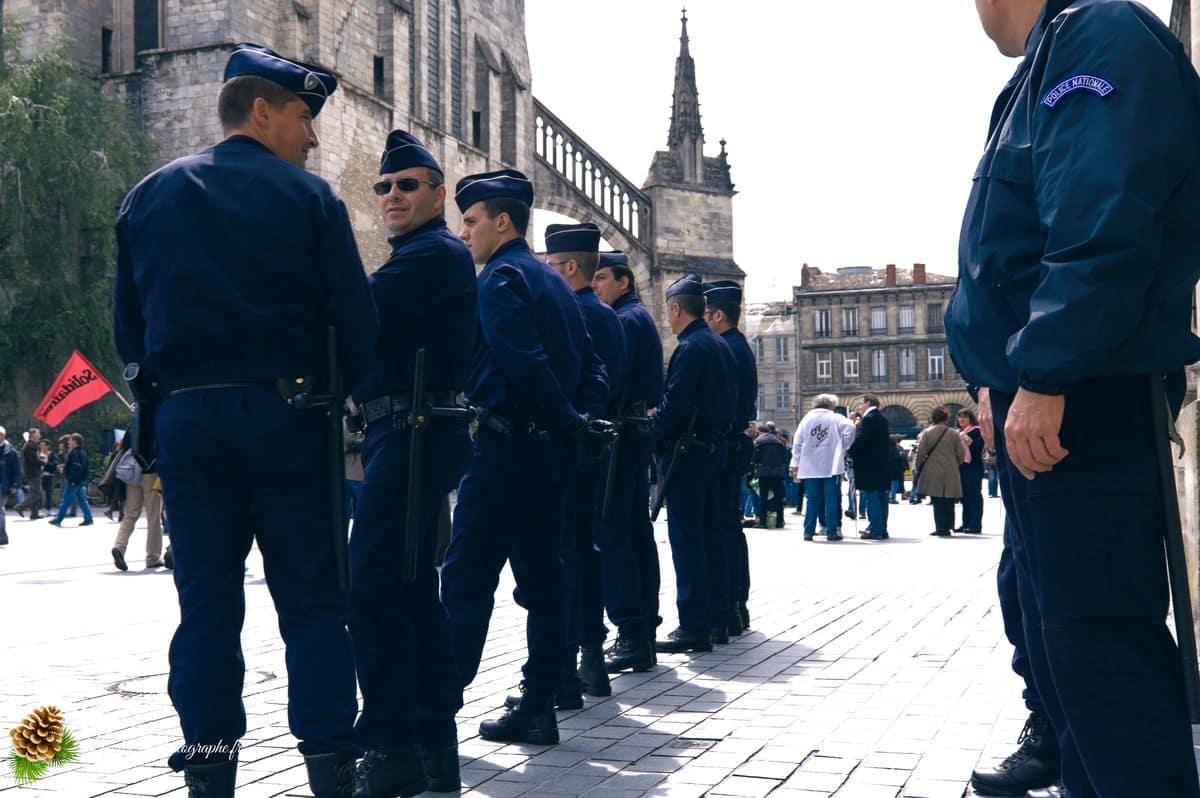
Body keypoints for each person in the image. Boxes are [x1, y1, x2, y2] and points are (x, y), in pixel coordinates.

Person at [112, 44, 378, 797]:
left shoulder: (149, 196)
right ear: (262, 110)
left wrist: (161, 405)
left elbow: (128, 332)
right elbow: (357, 327)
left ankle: (209, 763)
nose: (314, 137)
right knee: (315, 604)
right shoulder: (309, 199)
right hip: (289, 416)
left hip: (191, 422)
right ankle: (330, 762)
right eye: (304, 117)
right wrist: (333, 394)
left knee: (206, 607)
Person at [950, 2, 1200, 796]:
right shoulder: (1051, 60)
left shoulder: (1097, 37)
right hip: (1051, 400)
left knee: (1102, 657)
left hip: (1083, 402)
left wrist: (1047, 373)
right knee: (1064, 652)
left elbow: (1103, 224)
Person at [439, 168, 605, 747]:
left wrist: (567, 419)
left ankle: (435, 717)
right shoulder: (553, 282)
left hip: (507, 450)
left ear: (500, 221)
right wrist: (580, 423)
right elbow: (592, 367)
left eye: (470, 221)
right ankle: (539, 701)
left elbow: (523, 363)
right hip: (548, 455)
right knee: (543, 579)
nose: (464, 234)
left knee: (465, 579)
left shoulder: (501, 279)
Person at [347, 130, 476, 797]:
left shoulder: (432, 255)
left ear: (437, 192)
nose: (392, 196)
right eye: (384, 187)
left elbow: (356, 312)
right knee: (410, 588)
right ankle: (430, 742)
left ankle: (394, 743)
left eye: (406, 185)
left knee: (372, 587)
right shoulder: (428, 254)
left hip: (412, 429)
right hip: (403, 429)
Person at [543, 222, 625, 704]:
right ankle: (588, 660)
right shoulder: (605, 314)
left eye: (553, 267)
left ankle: (572, 662)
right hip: (593, 446)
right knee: (581, 552)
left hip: (571, 446)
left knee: (566, 556)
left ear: (570, 267)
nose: (549, 275)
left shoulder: (576, 312)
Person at [652, 274, 735, 653]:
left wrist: (654, 436)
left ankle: (693, 624)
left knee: (687, 540)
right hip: (713, 448)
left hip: (689, 452)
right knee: (709, 536)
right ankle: (716, 616)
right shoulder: (718, 344)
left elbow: (676, 405)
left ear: (674, 308)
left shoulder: (690, 348)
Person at [590, 252, 664, 675]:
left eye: (603, 277)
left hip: (619, 437)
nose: (596, 285)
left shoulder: (623, 319)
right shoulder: (635, 316)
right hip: (633, 435)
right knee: (634, 534)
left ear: (624, 281)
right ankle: (641, 629)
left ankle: (631, 632)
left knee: (612, 535)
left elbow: (611, 379)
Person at [702, 280, 757, 634]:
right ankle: (736, 604)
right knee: (729, 527)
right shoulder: (739, 346)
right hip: (736, 442)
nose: (704, 320)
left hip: (726, 441)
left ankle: (728, 604)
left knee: (720, 528)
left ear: (719, 315)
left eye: (707, 314)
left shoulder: (728, 348)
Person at [791, 394, 857, 542]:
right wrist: (843, 447)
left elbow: (797, 442)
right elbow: (851, 427)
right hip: (831, 465)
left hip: (810, 466)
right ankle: (831, 531)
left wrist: (795, 462)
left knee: (812, 500)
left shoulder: (806, 419)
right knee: (831, 499)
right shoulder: (836, 418)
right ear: (831, 405)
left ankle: (808, 531)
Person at [110, 436, 165, 570]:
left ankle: (119, 546)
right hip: (151, 473)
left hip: (132, 471)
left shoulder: (134, 422)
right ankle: (152, 557)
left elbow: (124, 446)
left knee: (131, 514)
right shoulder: (156, 421)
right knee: (153, 516)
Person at [914, 406, 963, 537]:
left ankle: (940, 527)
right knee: (949, 500)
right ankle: (949, 526)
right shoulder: (954, 433)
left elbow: (920, 453)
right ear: (946, 418)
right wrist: (954, 463)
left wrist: (917, 467)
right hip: (951, 470)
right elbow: (961, 454)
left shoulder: (927, 432)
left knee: (937, 500)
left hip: (932, 470)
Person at [847, 396, 890, 540]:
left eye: (861, 402)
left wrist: (849, 451)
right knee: (881, 497)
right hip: (881, 464)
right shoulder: (881, 417)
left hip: (869, 465)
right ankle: (881, 528)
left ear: (868, 403)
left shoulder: (869, 419)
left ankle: (876, 529)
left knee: (872, 496)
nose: (860, 405)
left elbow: (861, 440)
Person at [750, 424, 789, 530]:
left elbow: (754, 458)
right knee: (778, 497)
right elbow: (784, 458)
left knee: (763, 497)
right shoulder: (779, 441)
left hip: (764, 472)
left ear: (761, 432)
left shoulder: (758, 441)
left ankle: (763, 522)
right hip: (778, 472)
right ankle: (780, 521)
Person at [956, 409, 985, 533]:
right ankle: (965, 523)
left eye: (964, 417)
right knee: (964, 497)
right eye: (959, 417)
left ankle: (975, 525)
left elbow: (977, 447)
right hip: (961, 467)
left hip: (974, 467)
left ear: (970, 418)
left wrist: (965, 437)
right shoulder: (957, 433)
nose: (961, 419)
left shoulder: (977, 431)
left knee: (974, 496)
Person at [15, 429, 43, 519]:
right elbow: (34, 460)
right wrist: (45, 462)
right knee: (37, 494)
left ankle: (34, 514)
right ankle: (20, 506)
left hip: (32, 472)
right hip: (33, 473)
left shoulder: (32, 445)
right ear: (33, 435)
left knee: (35, 493)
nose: (40, 436)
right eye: (38, 434)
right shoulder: (30, 446)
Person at [0, 426, 21, 544]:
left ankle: (2, 536)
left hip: (3, 485)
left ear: (3, 436)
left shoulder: (10, 451)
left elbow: (17, 470)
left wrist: (15, 484)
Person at [887, 435, 906, 504]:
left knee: (888, 484)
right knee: (894, 483)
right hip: (895, 469)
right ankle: (893, 497)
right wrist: (903, 467)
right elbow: (899, 459)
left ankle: (887, 496)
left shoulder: (885, 449)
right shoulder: (896, 449)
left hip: (887, 469)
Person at [39, 440, 55, 513]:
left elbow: (53, 466)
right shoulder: (38, 454)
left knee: (49, 493)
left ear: (48, 446)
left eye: (43, 445)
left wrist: (45, 464)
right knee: (39, 493)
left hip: (49, 476)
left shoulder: (51, 455)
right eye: (41, 445)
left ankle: (48, 509)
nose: (42, 447)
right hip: (40, 477)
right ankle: (39, 509)